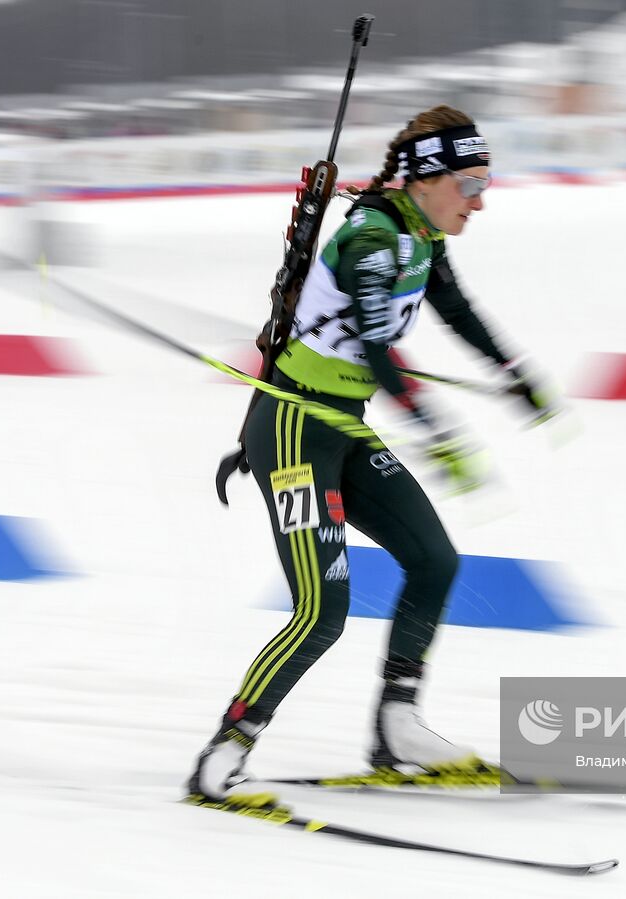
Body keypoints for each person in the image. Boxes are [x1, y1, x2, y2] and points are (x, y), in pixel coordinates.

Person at [188, 105, 557, 805]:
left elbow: (457, 310)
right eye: (471, 183)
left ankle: (398, 723)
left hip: (343, 425)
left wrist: (515, 372)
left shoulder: (422, 237)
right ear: (427, 178)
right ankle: (224, 752)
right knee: (322, 610)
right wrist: (436, 428)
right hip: (296, 429)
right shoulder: (371, 241)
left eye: (486, 183)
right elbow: (373, 348)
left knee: (435, 559)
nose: (481, 201)